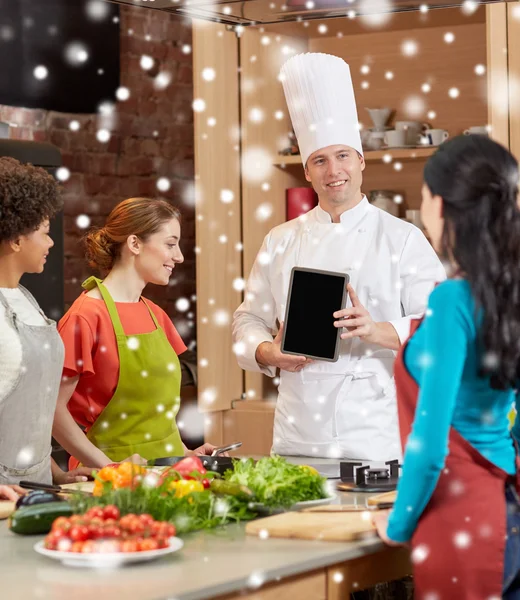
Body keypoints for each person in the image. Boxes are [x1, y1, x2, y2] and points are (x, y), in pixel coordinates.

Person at [232, 53, 445, 461]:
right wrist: (265, 351)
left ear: (362, 161)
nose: (334, 170)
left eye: (343, 155)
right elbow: (248, 318)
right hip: (297, 432)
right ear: (307, 172)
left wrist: (376, 329)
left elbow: (437, 327)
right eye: (320, 160)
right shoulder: (280, 239)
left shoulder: (402, 238)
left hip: (374, 434)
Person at [373, 134, 520, 599]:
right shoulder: (506, 295)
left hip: (458, 515)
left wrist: (397, 524)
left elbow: (430, 441)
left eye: (422, 196)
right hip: (505, 505)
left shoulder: (452, 299)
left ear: (439, 205)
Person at [53, 197, 219, 469]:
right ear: (134, 244)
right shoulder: (85, 317)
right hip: (110, 481)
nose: (179, 256)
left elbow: (155, 410)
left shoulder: (155, 315)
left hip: (169, 472)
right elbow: (53, 412)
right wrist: (108, 468)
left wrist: (186, 453)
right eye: (170, 244)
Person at [0, 157, 92, 486]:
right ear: (15, 239)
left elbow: (30, 417)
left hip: (37, 489)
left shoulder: (25, 300)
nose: (51, 243)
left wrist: (58, 475)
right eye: (45, 233)